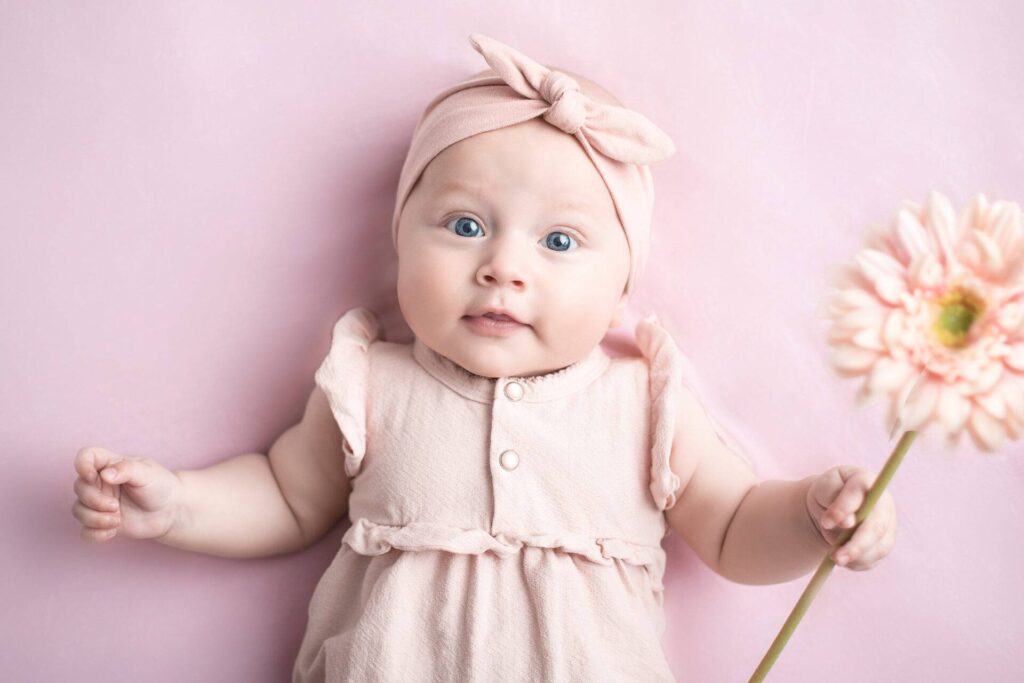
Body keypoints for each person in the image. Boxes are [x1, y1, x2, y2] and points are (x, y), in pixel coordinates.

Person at [70, 33, 897, 681]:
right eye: (465, 225)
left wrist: (808, 520)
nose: (504, 265)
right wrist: (179, 505)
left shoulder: (644, 401)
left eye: (560, 240)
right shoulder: (370, 382)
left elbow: (731, 525)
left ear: (620, 289)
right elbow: (289, 496)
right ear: (399, 242)